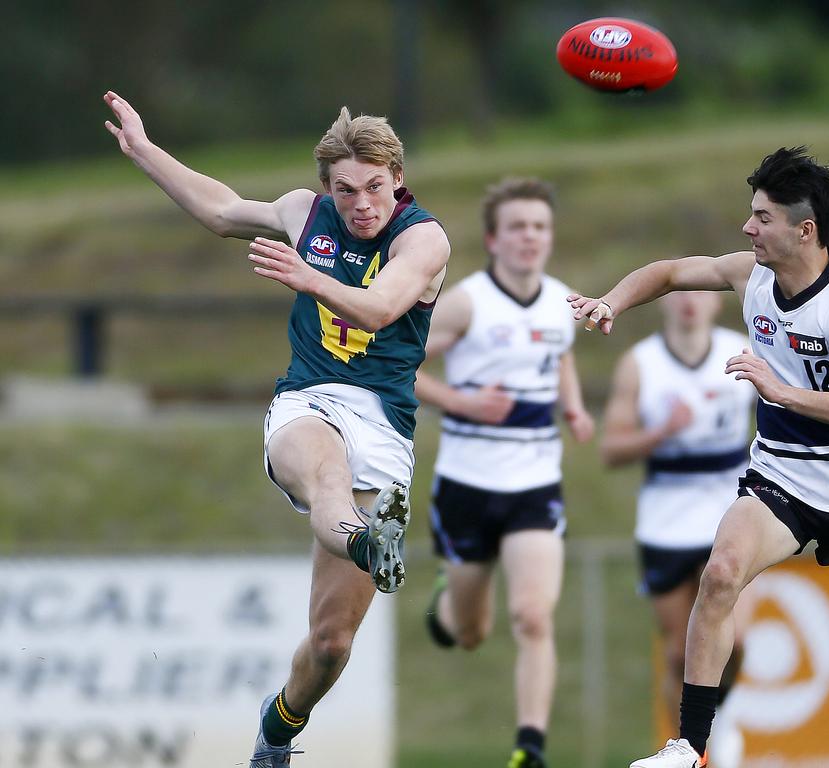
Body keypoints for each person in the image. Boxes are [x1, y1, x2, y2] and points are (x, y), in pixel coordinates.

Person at [569, 147, 829, 768]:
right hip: (780, 474)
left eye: (762, 218)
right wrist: (611, 301)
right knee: (720, 575)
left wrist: (779, 389)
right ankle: (690, 746)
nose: (748, 229)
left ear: (805, 230)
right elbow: (669, 273)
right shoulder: (752, 274)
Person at [103, 90, 450, 768]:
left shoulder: (424, 238)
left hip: (384, 422)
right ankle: (366, 538)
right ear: (328, 188)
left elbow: (380, 308)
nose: (361, 204)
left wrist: (308, 277)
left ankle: (280, 723)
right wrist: (146, 152)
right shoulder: (303, 213)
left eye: (375, 187)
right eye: (346, 190)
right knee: (329, 477)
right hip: (308, 402)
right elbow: (221, 209)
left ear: (397, 180)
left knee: (331, 646)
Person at [416, 177, 594, 768]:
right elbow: (397, 366)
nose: (529, 237)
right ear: (494, 238)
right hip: (467, 483)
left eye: (540, 227)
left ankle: (530, 749)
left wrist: (572, 406)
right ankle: (447, 604)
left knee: (533, 615)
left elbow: (559, 353)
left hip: (534, 485)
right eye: (517, 226)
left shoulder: (563, 302)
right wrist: (461, 402)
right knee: (470, 633)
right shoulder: (466, 303)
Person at [600, 291, 755, 768]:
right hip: (665, 518)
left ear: (717, 305)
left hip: (731, 511)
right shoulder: (640, 364)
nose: (689, 302)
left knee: (737, 641)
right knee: (677, 653)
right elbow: (611, 449)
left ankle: (718, 723)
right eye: (680, 294)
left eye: (701, 295)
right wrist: (661, 431)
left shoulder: (744, 351)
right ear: (665, 304)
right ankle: (693, 754)